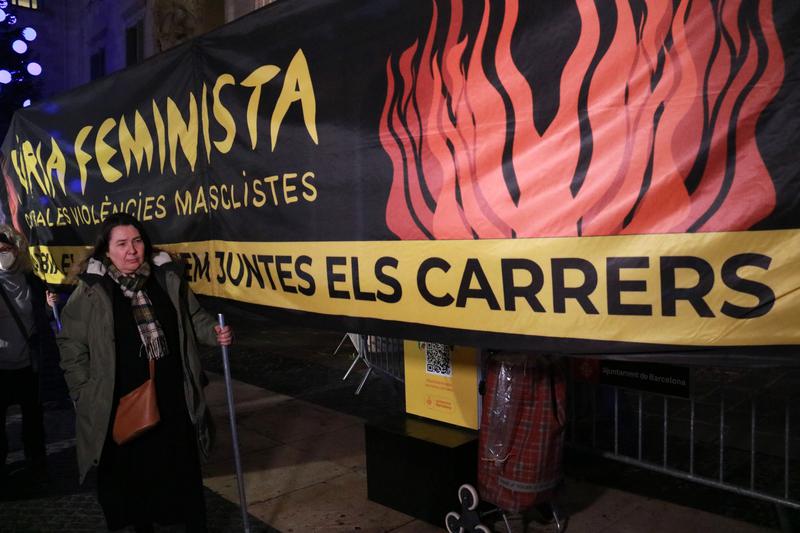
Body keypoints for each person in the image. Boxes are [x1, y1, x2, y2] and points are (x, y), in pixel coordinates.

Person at [57, 213, 232, 533]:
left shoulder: (166, 278)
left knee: (180, 473)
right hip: (119, 401)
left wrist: (214, 331)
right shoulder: (93, 290)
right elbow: (70, 343)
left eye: (137, 241)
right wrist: (83, 391)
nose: (132, 250)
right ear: (106, 250)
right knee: (132, 480)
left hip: (173, 398)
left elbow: (192, 316)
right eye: (121, 243)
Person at [0, 226, 53, 481]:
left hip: (28, 364)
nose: (3, 255)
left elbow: (38, 317)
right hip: (1, 367)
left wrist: (48, 305)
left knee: (33, 416)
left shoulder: (30, 280)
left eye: (6, 249)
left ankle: (37, 459)